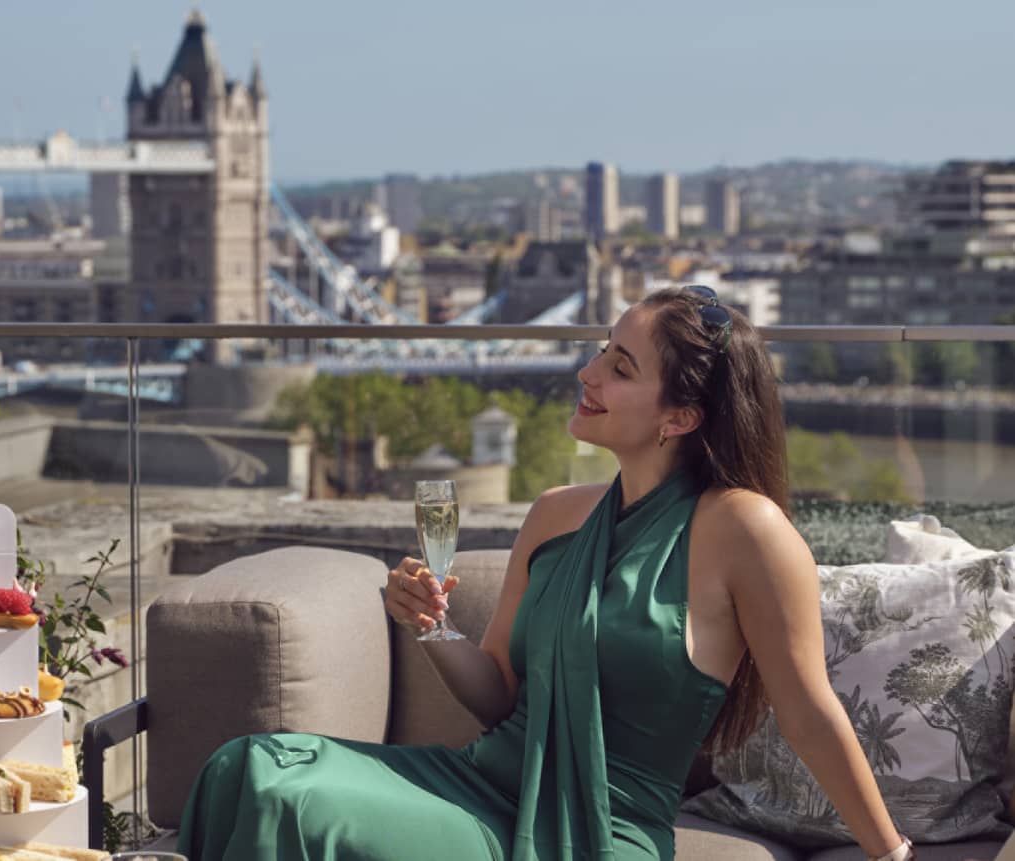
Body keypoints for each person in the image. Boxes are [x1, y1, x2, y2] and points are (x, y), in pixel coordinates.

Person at [176, 287, 914, 860]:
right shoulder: (557, 513)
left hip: (602, 827)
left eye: (620, 368)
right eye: (601, 352)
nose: (587, 374)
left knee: (290, 804)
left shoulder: (747, 529)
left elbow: (808, 712)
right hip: (481, 780)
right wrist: (433, 626)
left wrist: (891, 853)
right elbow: (498, 693)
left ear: (681, 417)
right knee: (251, 766)